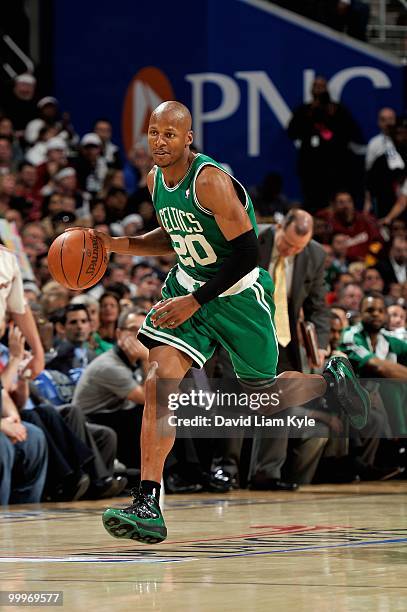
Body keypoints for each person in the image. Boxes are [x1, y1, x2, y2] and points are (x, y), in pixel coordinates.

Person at [72, 101, 369, 544]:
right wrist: (115, 244)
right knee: (158, 383)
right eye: (154, 132)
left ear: (187, 139)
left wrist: (197, 300)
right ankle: (148, 501)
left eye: (169, 134)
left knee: (263, 397)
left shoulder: (209, 180)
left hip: (236, 297)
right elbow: (174, 237)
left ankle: (331, 380)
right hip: (187, 287)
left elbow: (247, 253)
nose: (159, 141)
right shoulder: (156, 180)